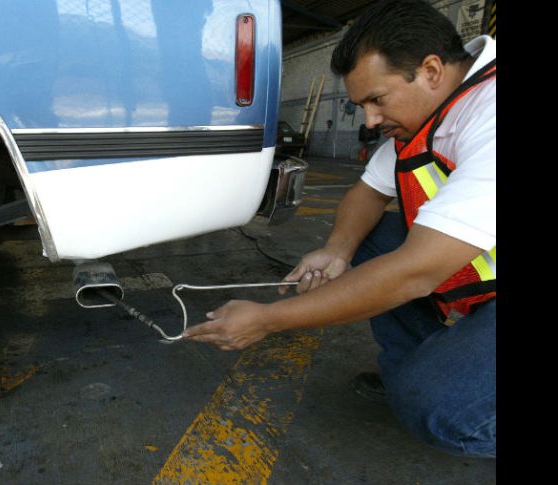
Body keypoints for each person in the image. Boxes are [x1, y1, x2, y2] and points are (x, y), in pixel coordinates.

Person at [183, 0, 495, 458]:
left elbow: (415, 272)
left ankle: (442, 393)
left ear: (430, 70)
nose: (369, 120)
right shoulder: (431, 115)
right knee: (371, 242)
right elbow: (368, 192)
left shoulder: (487, 116)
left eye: (377, 100)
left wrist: (268, 320)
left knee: (441, 411)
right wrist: (337, 250)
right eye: (360, 104)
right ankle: (419, 372)